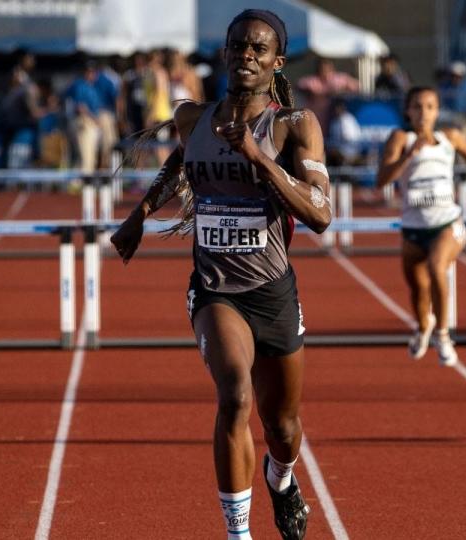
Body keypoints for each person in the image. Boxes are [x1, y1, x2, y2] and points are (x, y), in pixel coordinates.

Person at [109, 9, 330, 540]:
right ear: (225, 52)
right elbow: (180, 163)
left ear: (277, 61)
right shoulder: (193, 118)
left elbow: (321, 214)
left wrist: (259, 157)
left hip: (272, 291)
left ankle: (282, 482)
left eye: (258, 49)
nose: (246, 56)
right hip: (215, 290)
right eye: (238, 47)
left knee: (283, 427)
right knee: (234, 395)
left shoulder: (292, 126)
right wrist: (139, 215)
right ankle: (239, 534)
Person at [376, 86, 466, 366]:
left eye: (429, 106)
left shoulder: (449, 137)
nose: (423, 113)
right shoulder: (401, 138)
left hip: (449, 223)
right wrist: (408, 156)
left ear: (437, 111)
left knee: (437, 268)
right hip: (414, 228)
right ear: (408, 111)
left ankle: (443, 334)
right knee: (418, 290)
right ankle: (422, 327)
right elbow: (381, 180)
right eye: (417, 106)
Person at [296, 57, 359, 132]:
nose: (325, 71)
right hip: (319, 119)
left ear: (332, 68)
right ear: (318, 69)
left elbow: (357, 86)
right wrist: (314, 93)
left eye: (328, 68)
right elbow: (299, 86)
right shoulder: (312, 81)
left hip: (335, 119)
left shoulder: (339, 79)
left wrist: (341, 92)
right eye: (322, 68)